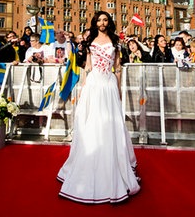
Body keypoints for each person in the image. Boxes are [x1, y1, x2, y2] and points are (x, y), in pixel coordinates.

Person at [57, 11, 141, 204]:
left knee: (110, 123)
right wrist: (83, 87)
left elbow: (118, 67)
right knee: (92, 122)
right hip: (94, 84)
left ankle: (113, 164)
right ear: (95, 22)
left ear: (108, 22)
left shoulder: (115, 41)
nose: (102, 23)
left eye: (105, 20)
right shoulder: (90, 40)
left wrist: (119, 89)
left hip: (109, 84)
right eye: (99, 20)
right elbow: (87, 67)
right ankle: (90, 161)